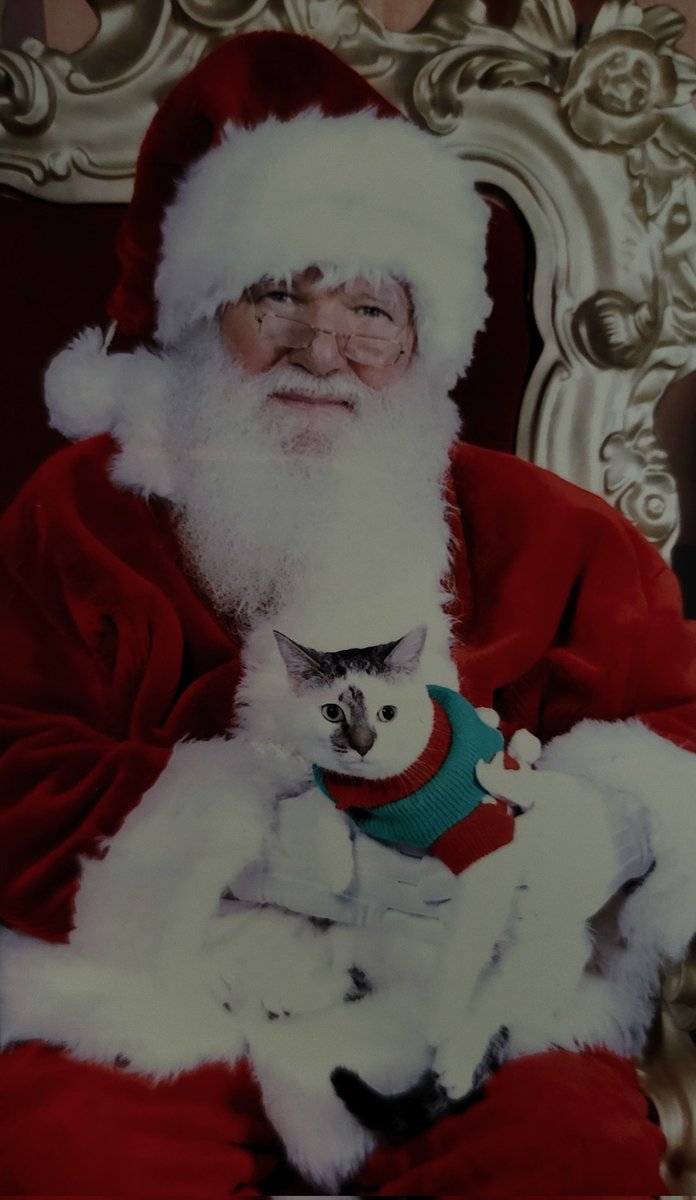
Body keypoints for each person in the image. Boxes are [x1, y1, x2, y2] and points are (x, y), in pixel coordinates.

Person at [0, 28, 695, 1196]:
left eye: (371, 306)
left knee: (564, 1156)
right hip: (159, 991)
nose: (321, 345)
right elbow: (13, 758)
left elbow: (678, 741)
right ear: (197, 317)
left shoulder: (555, 532)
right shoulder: (79, 515)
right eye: (275, 293)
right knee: (61, 1153)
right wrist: (276, 850)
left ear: (426, 337)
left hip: (468, 995)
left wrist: (568, 838)